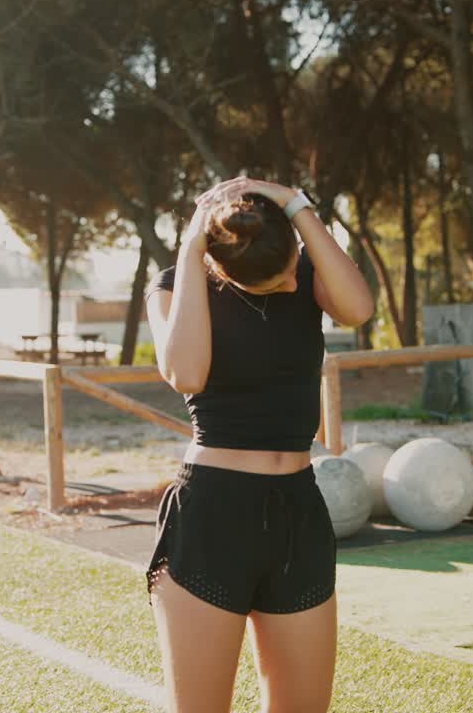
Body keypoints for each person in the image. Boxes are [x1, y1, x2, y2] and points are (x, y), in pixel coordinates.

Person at [144, 176, 375, 713]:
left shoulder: (306, 271)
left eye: (295, 266)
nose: (294, 285)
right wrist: (191, 247)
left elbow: (359, 309)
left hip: (298, 513)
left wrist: (295, 204)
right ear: (228, 273)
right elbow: (185, 372)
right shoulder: (175, 288)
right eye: (280, 278)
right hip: (213, 516)